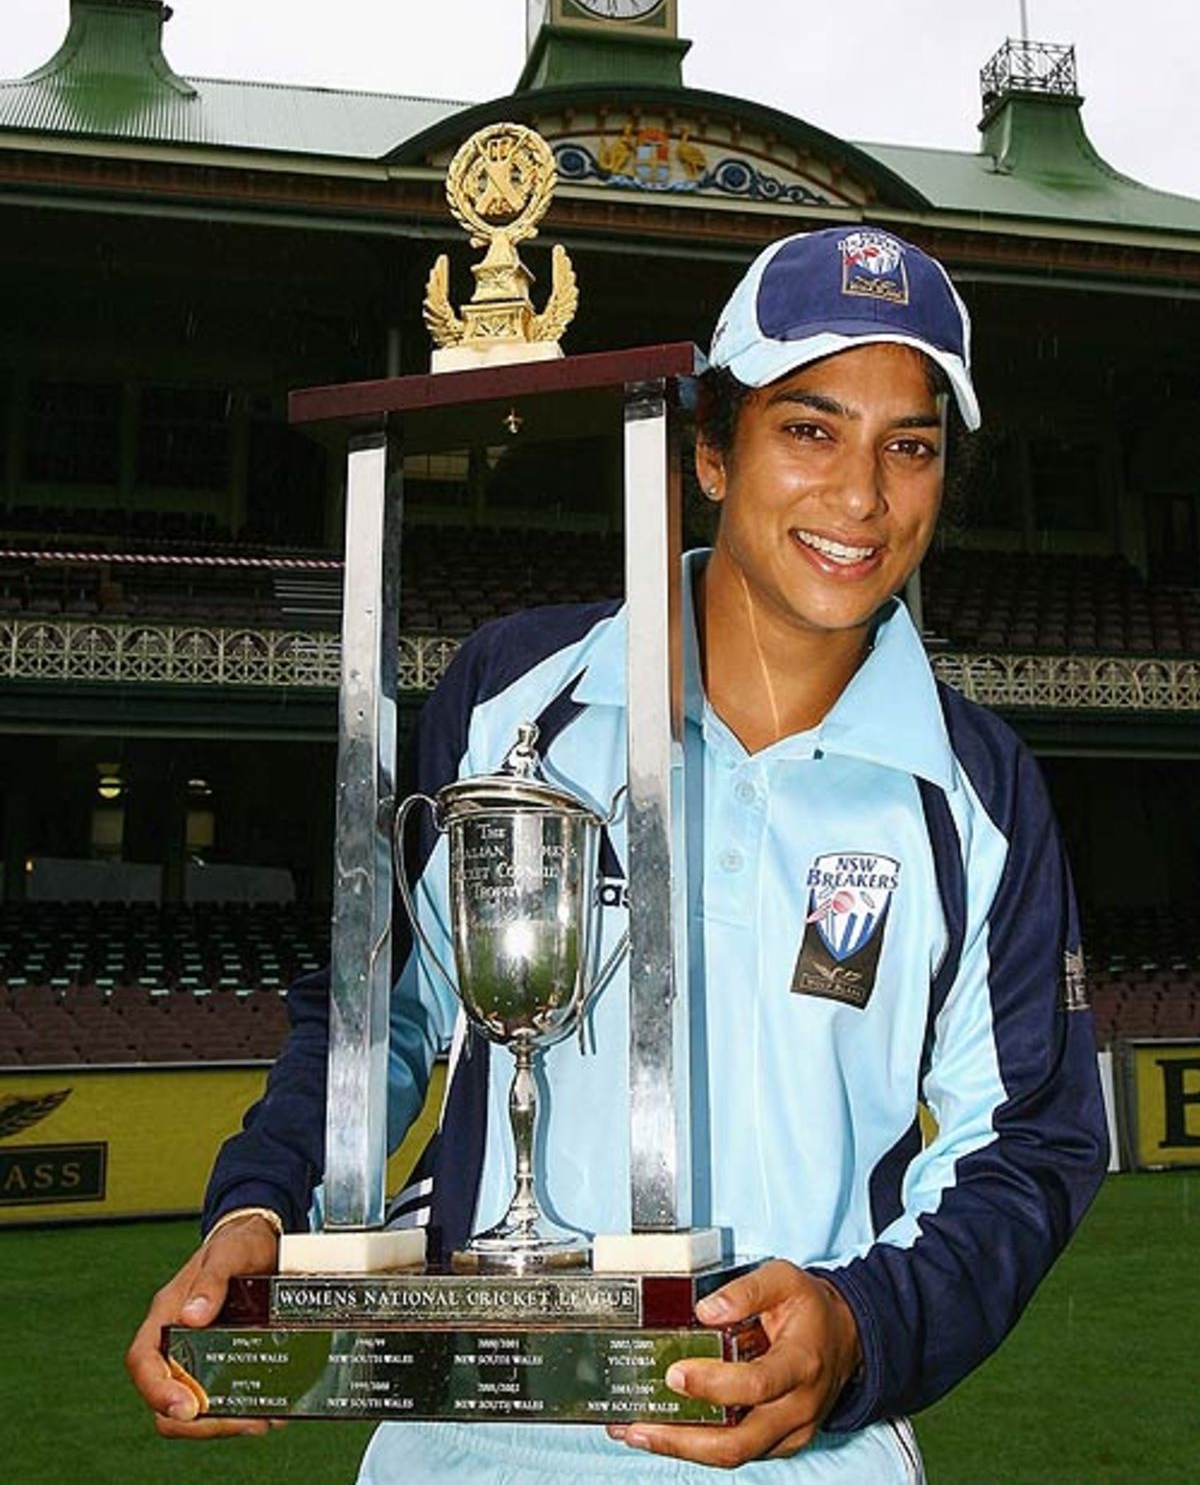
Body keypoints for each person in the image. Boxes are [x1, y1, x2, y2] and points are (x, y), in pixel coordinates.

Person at [127, 225, 1109, 1481]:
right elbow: (380, 1015)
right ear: (710, 450)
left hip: (802, 1455)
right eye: (810, 430)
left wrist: (864, 1326)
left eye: (907, 447)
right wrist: (262, 1210)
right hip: (467, 1444)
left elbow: (1029, 1141)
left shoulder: (979, 792)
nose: (862, 497)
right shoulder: (509, 700)